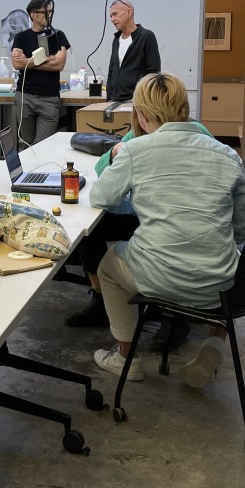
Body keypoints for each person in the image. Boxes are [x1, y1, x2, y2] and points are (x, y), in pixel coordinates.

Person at [89, 72, 245, 387]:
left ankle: (126, 358)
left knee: (108, 267)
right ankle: (214, 342)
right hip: (219, 285)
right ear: (185, 107)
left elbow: (101, 198)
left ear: (141, 115)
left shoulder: (136, 150)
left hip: (157, 278)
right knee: (232, 254)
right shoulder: (227, 154)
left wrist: (136, 197)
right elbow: (243, 223)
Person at [65, 112, 215, 354]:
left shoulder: (198, 135)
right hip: (152, 216)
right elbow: (101, 169)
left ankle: (174, 316)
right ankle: (101, 300)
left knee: (166, 242)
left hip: (183, 223)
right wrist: (114, 153)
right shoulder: (141, 131)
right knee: (92, 225)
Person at [11, 0, 70, 146]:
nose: (49, 15)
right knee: (25, 144)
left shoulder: (58, 35)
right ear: (33, 14)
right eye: (46, 12)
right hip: (25, 96)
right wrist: (47, 59)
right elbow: (17, 64)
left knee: (43, 146)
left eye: (51, 12)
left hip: (49, 99)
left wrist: (28, 61)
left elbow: (59, 65)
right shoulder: (21, 37)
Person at [105, 0, 160, 102]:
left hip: (136, 101)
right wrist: (109, 99)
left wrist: (144, 101)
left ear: (129, 12)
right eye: (111, 16)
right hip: (114, 100)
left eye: (115, 14)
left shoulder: (146, 36)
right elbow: (111, 71)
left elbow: (153, 73)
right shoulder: (116, 40)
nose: (112, 19)